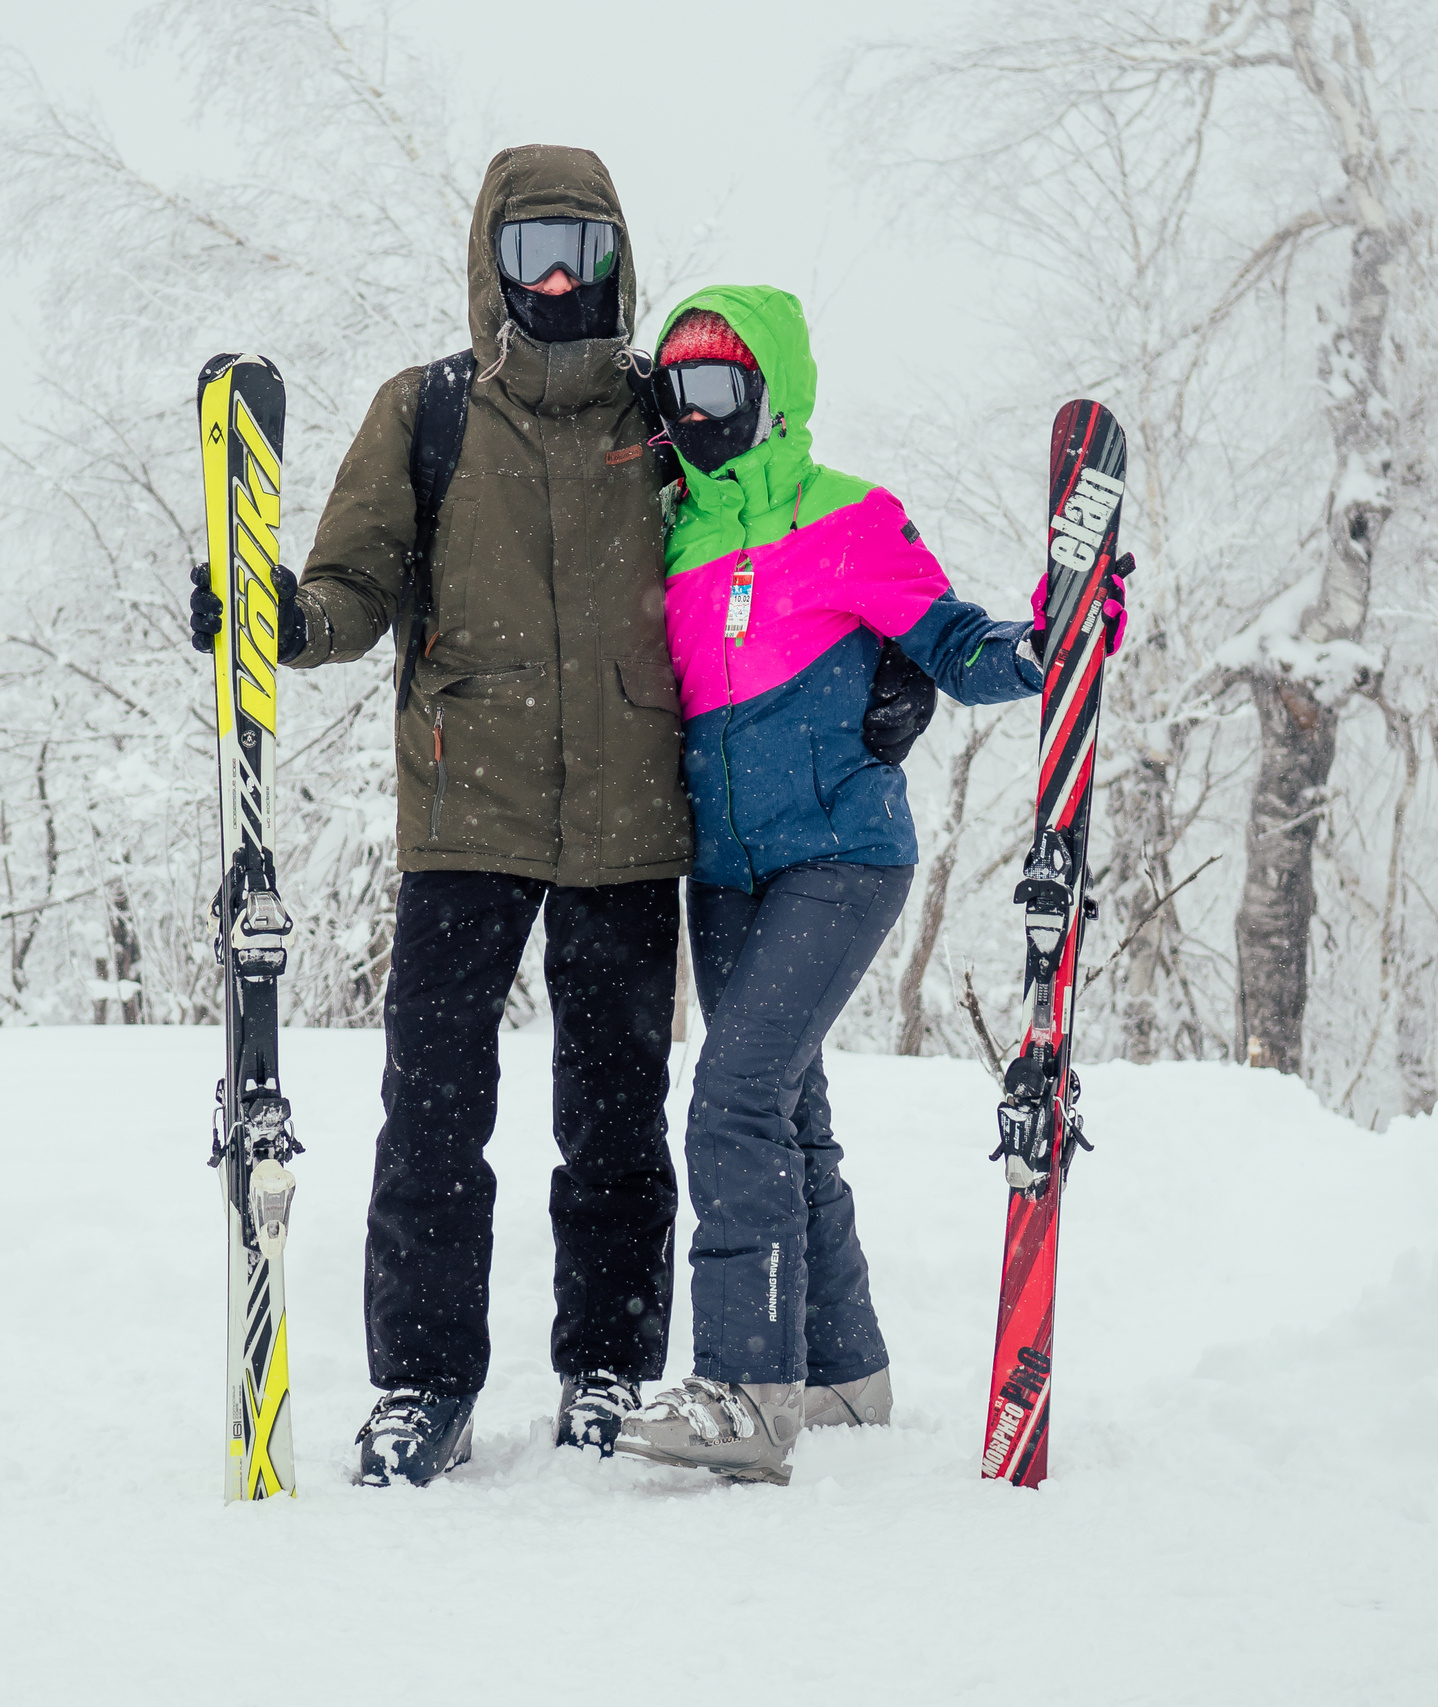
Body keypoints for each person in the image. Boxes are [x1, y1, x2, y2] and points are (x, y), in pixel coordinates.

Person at [193, 145, 690, 1486]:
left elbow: (767, 552)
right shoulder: (429, 410)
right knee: (431, 1112)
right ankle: (423, 1381)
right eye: (531, 249)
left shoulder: (668, 413)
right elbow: (352, 586)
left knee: (619, 1113)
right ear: (490, 262)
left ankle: (609, 1368)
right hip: (467, 809)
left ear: (616, 261)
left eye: (582, 251)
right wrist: (278, 619)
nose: (556, 278)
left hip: (636, 818)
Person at [609, 286, 1126, 1485]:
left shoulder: (846, 517)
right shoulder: (668, 530)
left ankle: (747, 1391)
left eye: (721, 388)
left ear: (771, 394)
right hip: (726, 872)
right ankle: (843, 1371)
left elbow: (949, 642)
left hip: (841, 858)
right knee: (787, 1112)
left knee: (730, 1096)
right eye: (676, 392)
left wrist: (1039, 648)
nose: (695, 414)